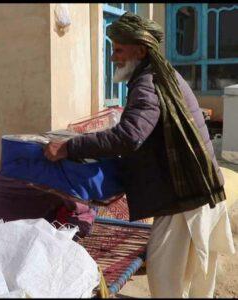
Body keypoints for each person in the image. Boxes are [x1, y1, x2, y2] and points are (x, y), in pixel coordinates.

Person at [43, 12, 235, 298]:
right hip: (195, 189)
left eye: (118, 49)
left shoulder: (148, 83)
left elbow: (130, 136)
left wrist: (69, 147)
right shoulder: (163, 76)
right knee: (191, 279)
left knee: (165, 280)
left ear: (141, 50)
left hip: (184, 199)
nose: (112, 58)